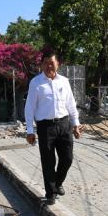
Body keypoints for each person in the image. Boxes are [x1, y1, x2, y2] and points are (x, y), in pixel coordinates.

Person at [25, 49, 81, 205]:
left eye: (52, 63)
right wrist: (30, 130)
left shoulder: (64, 81)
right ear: (41, 65)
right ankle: (51, 193)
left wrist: (76, 124)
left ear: (58, 64)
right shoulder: (36, 83)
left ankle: (57, 183)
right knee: (48, 161)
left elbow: (71, 103)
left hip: (64, 124)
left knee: (67, 158)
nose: (49, 66)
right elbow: (30, 107)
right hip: (45, 127)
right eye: (45, 63)